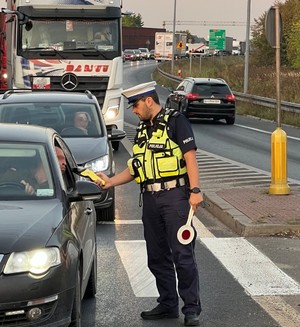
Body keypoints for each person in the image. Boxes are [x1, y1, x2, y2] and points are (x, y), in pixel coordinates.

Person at [96, 81, 203, 326]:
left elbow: (190, 157)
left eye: (135, 105)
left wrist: (195, 190)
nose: (133, 110)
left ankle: (191, 309)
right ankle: (168, 304)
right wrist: (110, 182)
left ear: (148, 101)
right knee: (156, 255)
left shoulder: (176, 121)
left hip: (175, 196)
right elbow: (136, 169)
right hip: (150, 199)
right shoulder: (143, 130)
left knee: (182, 254)